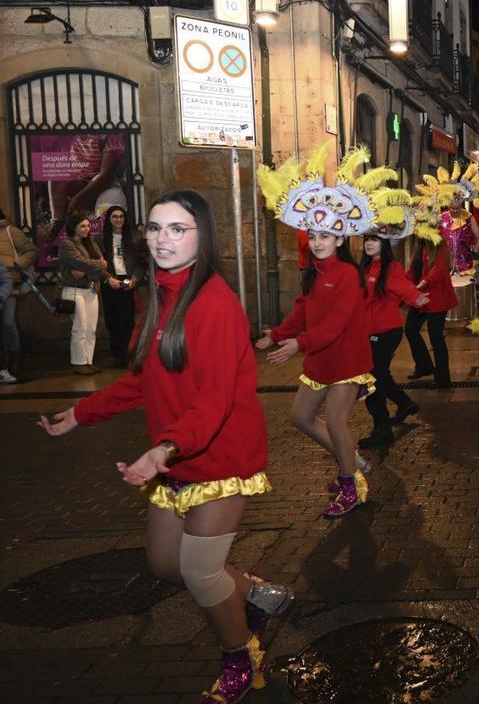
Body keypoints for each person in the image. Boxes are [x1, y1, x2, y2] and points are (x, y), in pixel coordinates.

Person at [40, 190, 291, 703]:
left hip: (218, 457)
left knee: (200, 573)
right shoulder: (158, 296)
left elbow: (215, 400)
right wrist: (82, 414)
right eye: (155, 228)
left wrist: (164, 449)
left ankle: (241, 658)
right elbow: (143, 380)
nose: (162, 239)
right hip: (174, 458)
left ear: (203, 236)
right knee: (163, 564)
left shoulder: (215, 304)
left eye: (178, 229)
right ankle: (255, 593)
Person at [256, 148, 401, 518]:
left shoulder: (349, 275)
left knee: (336, 422)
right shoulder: (315, 272)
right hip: (320, 361)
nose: (318, 242)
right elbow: (302, 310)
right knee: (300, 418)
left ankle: (350, 484)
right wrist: (277, 335)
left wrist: (298, 344)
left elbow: (335, 325)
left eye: (325, 236)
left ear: (339, 240)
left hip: (347, 362)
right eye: (313, 235)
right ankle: (350, 458)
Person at [357, 225, 429, 448]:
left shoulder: (391, 267)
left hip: (386, 331)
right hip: (368, 331)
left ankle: (382, 429)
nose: (369, 243)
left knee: (372, 379)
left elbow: (402, 286)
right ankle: (405, 404)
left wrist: (416, 298)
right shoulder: (364, 267)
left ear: (385, 243)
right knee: (379, 375)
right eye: (367, 239)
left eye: (375, 240)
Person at [58, 210, 111, 375]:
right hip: (74, 290)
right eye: (82, 226)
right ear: (73, 227)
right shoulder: (67, 245)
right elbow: (80, 262)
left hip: (91, 289)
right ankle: (78, 362)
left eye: (88, 226)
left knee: (90, 328)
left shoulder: (92, 244)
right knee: (79, 327)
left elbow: (95, 267)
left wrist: (88, 270)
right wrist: (98, 264)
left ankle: (89, 361)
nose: (86, 229)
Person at [405, 227, 457, 387]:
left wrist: (424, 282)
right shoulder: (419, 245)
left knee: (436, 337)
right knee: (410, 329)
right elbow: (413, 270)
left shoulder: (438, 244)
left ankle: (443, 379)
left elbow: (439, 269)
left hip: (437, 298)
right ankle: (424, 366)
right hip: (420, 297)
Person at [99, 205, 144, 368]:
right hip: (110, 282)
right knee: (112, 320)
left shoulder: (134, 237)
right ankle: (117, 354)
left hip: (128, 282)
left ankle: (129, 354)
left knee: (127, 320)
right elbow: (97, 264)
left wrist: (135, 279)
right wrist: (108, 278)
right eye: (114, 217)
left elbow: (142, 262)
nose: (118, 220)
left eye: (121, 216)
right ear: (109, 219)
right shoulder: (101, 239)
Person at [0, 206, 36, 375]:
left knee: (8, 321)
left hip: (8, 284)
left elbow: (32, 251)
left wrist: (16, 265)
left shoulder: (10, 231)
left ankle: (15, 356)